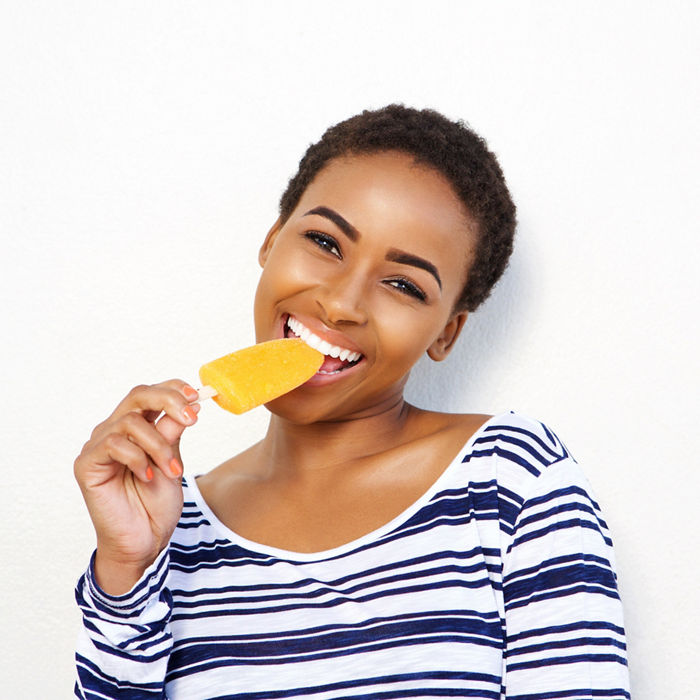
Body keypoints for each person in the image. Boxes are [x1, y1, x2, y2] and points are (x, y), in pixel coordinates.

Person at [74, 105, 630, 699]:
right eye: (324, 241)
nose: (342, 304)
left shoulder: (509, 480)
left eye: (403, 285)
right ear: (270, 241)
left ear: (446, 332)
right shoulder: (165, 528)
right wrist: (126, 570)